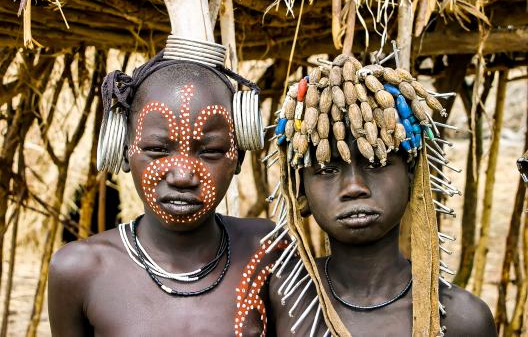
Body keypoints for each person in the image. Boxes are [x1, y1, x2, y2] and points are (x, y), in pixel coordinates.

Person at [48, 52, 278, 336]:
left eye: (210, 151)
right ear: (123, 150)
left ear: (238, 157)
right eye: (157, 150)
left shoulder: (268, 250)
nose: (182, 176)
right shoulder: (79, 270)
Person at [265, 55, 497, 336]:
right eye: (327, 169)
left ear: (411, 175)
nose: (354, 187)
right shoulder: (279, 304)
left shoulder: (463, 320)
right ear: (300, 189)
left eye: (376, 163)